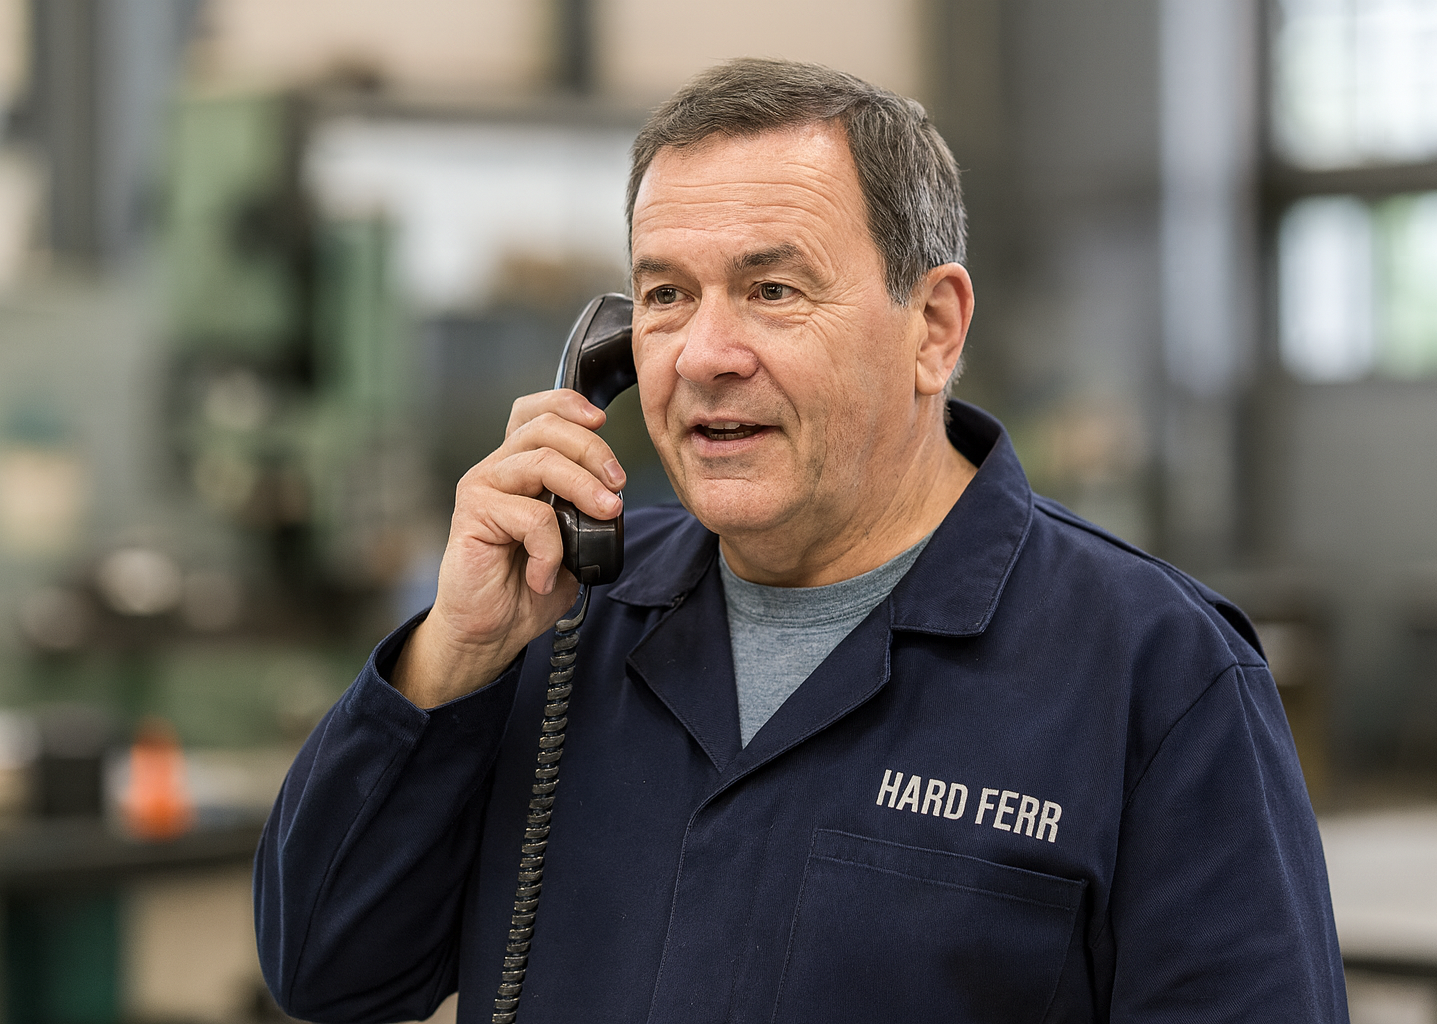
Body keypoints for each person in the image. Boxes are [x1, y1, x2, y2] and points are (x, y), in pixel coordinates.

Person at [256, 58, 1348, 1023]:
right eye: (666, 295)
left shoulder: (1156, 675)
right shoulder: (559, 617)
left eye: (773, 290)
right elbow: (327, 969)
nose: (705, 353)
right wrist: (454, 652)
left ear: (934, 328)